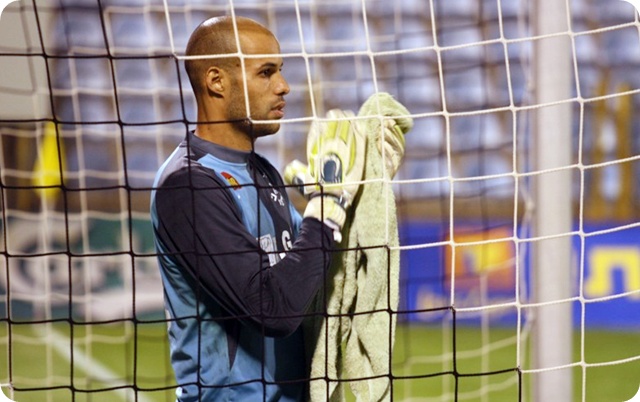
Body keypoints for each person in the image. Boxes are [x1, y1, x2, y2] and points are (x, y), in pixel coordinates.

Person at [150, 16, 365, 402]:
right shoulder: (187, 186)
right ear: (216, 81)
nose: (283, 86)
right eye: (266, 72)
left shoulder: (263, 171)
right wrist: (326, 210)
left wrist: (366, 188)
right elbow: (272, 309)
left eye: (280, 70)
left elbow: (311, 268)